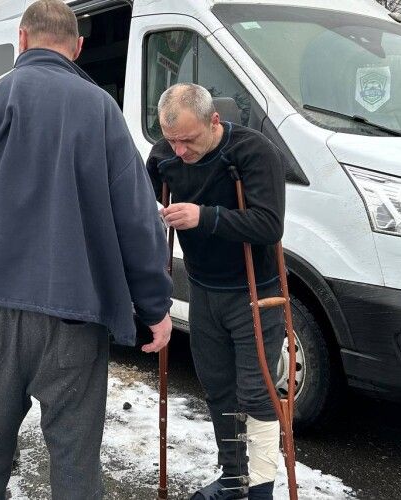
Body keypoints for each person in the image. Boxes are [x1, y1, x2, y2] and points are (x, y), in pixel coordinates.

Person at [0, 1, 173, 498]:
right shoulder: (101, 107)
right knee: (76, 466)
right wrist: (155, 306)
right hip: (78, 315)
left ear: (22, 38)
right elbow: (138, 220)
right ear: (77, 46)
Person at [146, 83, 286, 500]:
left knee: (256, 394)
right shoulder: (163, 158)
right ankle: (233, 480)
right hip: (205, 291)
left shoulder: (252, 152)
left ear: (214, 122)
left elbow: (268, 224)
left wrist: (204, 217)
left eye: (188, 140)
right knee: (219, 390)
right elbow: (144, 198)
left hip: (254, 292)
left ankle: (260, 490)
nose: (180, 151)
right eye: (171, 140)